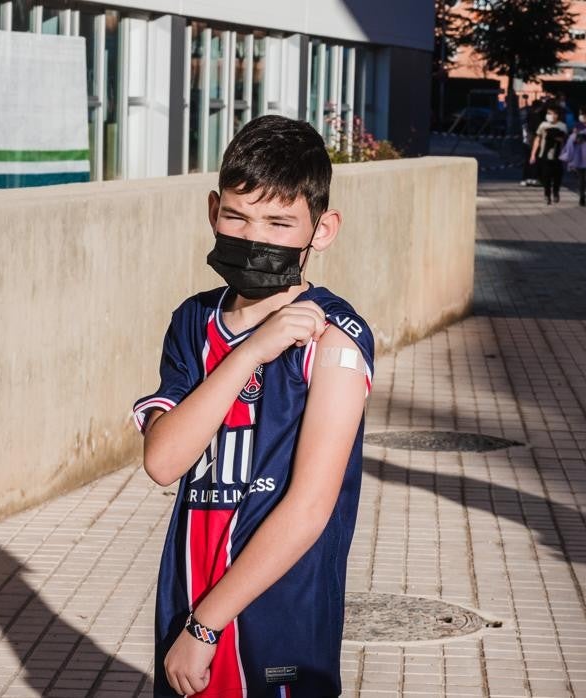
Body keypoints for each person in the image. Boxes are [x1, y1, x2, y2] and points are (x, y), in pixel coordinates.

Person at [133, 115, 375, 698]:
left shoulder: (337, 340)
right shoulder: (193, 321)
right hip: (188, 591)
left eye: (279, 222)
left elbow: (311, 508)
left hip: (278, 618)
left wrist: (207, 625)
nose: (254, 235)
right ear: (213, 208)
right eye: (237, 216)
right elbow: (164, 462)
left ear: (322, 229)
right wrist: (250, 354)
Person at [529, 104, 568, 205]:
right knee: (546, 176)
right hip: (544, 154)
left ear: (558, 115)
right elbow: (537, 139)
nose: (552, 115)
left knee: (557, 176)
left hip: (558, 155)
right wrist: (533, 154)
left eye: (554, 113)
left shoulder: (562, 126)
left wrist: (557, 138)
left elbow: (565, 141)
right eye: (549, 113)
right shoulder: (543, 125)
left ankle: (556, 192)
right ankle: (547, 194)